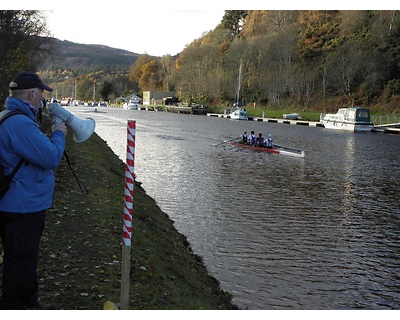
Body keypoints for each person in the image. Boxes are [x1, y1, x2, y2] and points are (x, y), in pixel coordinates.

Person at [0, 71, 67, 310]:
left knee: (20, 261)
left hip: (14, 203)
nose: (42, 99)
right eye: (41, 94)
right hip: (22, 208)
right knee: (21, 265)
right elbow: (50, 157)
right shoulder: (19, 122)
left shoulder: (10, 116)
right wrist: (59, 133)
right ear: (31, 94)